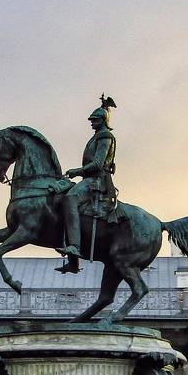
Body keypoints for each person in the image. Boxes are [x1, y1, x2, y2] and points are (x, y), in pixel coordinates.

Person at [58, 96, 118, 273]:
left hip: (97, 180)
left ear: (103, 120)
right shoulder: (97, 136)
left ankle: (75, 247)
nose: (92, 123)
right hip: (89, 179)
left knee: (70, 199)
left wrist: (77, 171)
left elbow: (98, 164)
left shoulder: (105, 137)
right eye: (92, 120)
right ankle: (73, 263)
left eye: (95, 120)